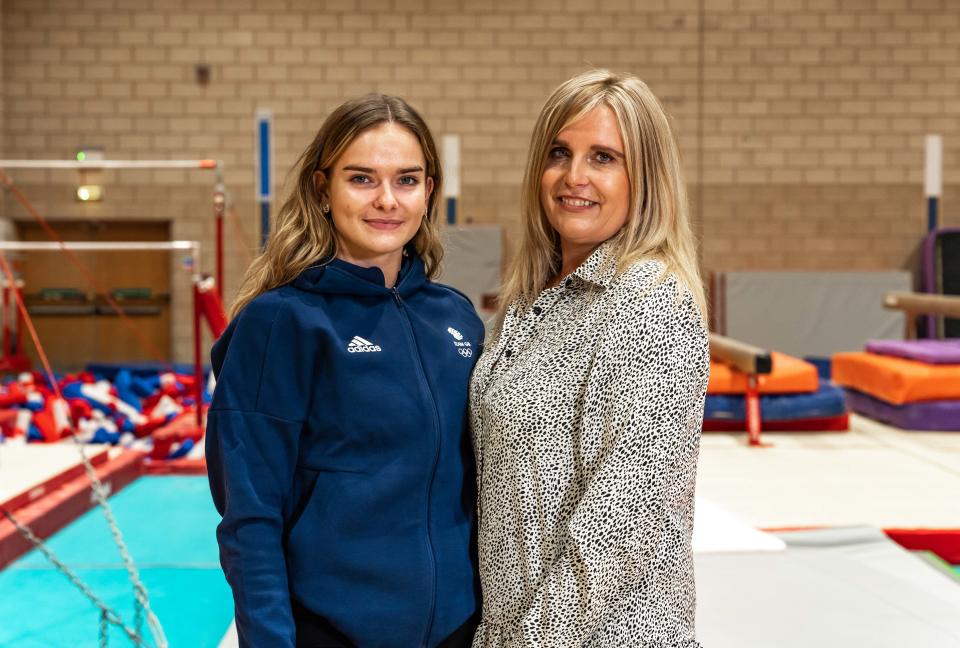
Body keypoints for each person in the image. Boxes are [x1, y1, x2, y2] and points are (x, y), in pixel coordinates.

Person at [206, 94, 482, 648]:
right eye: (362, 179)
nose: (387, 200)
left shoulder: (455, 317)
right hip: (331, 631)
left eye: (407, 180)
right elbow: (250, 516)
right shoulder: (282, 323)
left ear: (429, 190)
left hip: (458, 630)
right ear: (321, 189)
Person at [469, 70, 709, 646]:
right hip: (510, 625)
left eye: (603, 157)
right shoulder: (536, 297)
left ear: (643, 178)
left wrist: (535, 639)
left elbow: (625, 511)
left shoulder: (650, 300)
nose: (574, 177)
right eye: (560, 153)